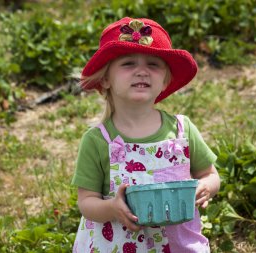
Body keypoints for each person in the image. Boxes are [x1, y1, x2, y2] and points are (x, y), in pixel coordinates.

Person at [71, 17, 221, 253]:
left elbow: (210, 174)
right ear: (106, 79)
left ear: (165, 80)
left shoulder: (182, 129)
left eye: (153, 64)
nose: (142, 71)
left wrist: (206, 186)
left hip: (177, 244)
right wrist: (112, 208)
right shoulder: (98, 140)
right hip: (118, 245)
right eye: (128, 63)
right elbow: (86, 202)